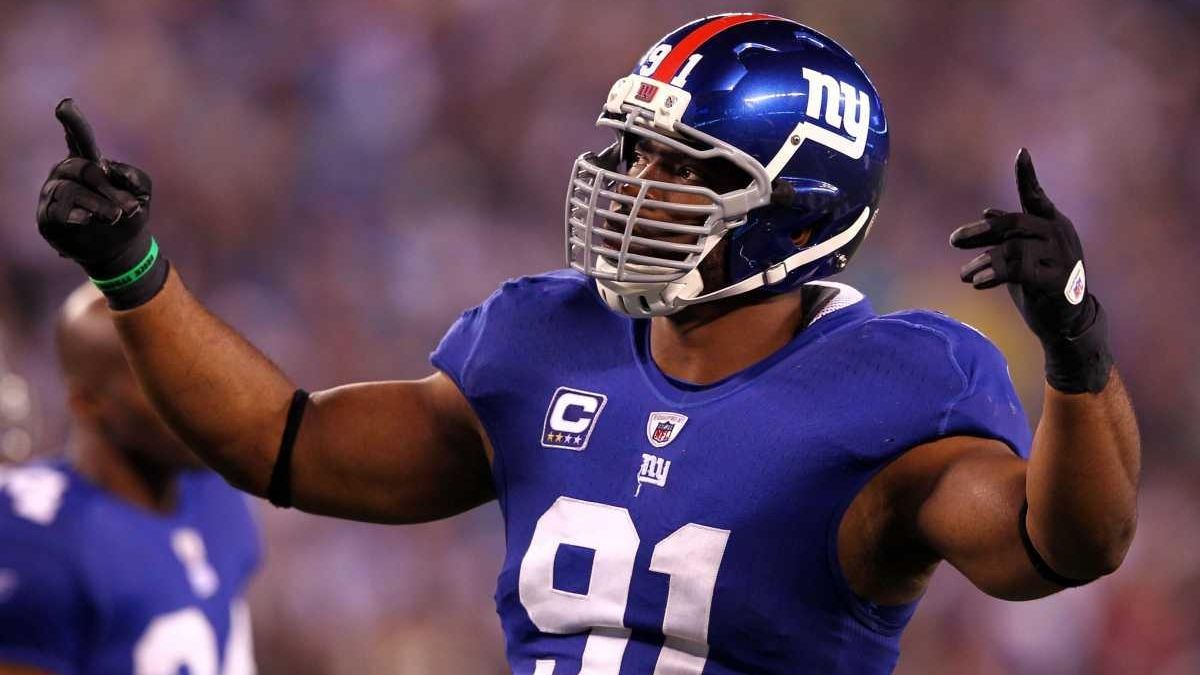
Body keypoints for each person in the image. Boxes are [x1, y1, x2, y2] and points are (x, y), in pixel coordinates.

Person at [32, 12, 1139, 675]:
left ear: (796, 209)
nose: (636, 185)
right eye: (633, 151)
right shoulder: (543, 337)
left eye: (684, 167)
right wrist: (136, 267)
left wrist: (1079, 356)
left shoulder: (902, 383)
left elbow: (1059, 550)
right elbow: (284, 444)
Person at [0, 284, 259, 675]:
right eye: (157, 379)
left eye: (193, 368)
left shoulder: (218, 495)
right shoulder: (36, 542)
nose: (193, 397)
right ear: (88, 401)